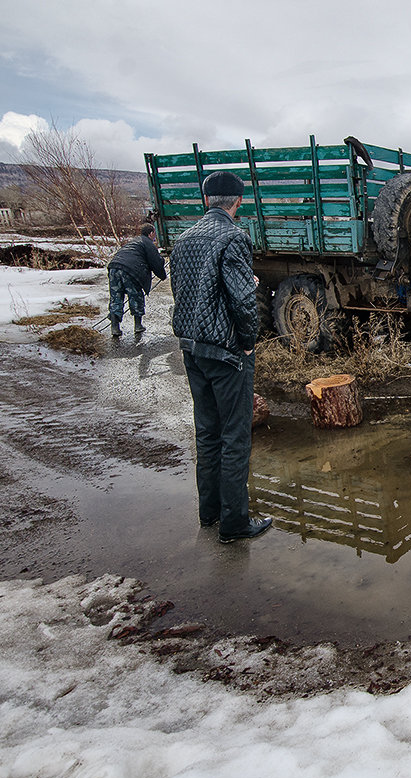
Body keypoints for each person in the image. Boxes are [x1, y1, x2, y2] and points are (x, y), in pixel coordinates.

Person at [169, 171, 271, 544]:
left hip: (192, 348)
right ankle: (234, 524)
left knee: (207, 433)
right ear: (237, 201)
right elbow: (243, 300)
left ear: (206, 199)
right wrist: (247, 341)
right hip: (227, 352)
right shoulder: (234, 237)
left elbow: (187, 290)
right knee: (235, 437)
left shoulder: (183, 239)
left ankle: (209, 513)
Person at [107, 223, 167, 336]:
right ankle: (138, 325)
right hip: (130, 271)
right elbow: (156, 261)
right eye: (154, 233)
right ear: (151, 233)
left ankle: (115, 327)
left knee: (116, 297)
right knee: (135, 296)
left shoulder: (133, 242)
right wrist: (163, 275)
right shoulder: (147, 243)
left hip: (114, 267)